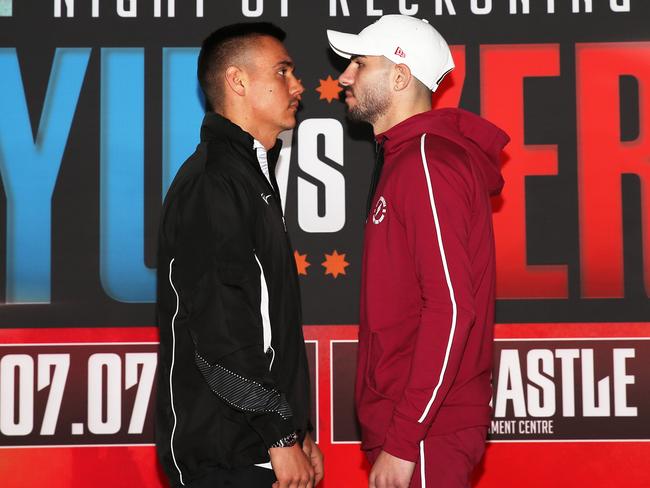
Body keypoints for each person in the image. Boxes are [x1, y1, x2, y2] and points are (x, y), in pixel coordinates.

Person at [327, 15, 509, 488]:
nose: (344, 76)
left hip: (427, 429)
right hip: (418, 423)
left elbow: (450, 309)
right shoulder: (407, 158)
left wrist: (405, 439)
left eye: (359, 64)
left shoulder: (427, 160)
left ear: (401, 76)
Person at [156, 23, 323, 488]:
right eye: (284, 71)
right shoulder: (214, 182)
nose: (299, 85)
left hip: (256, 447)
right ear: (238, 81)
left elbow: (269, 325)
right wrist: (279, 435)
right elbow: (219, 332)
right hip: (227, 456)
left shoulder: (248, 177)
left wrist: (295, 431)